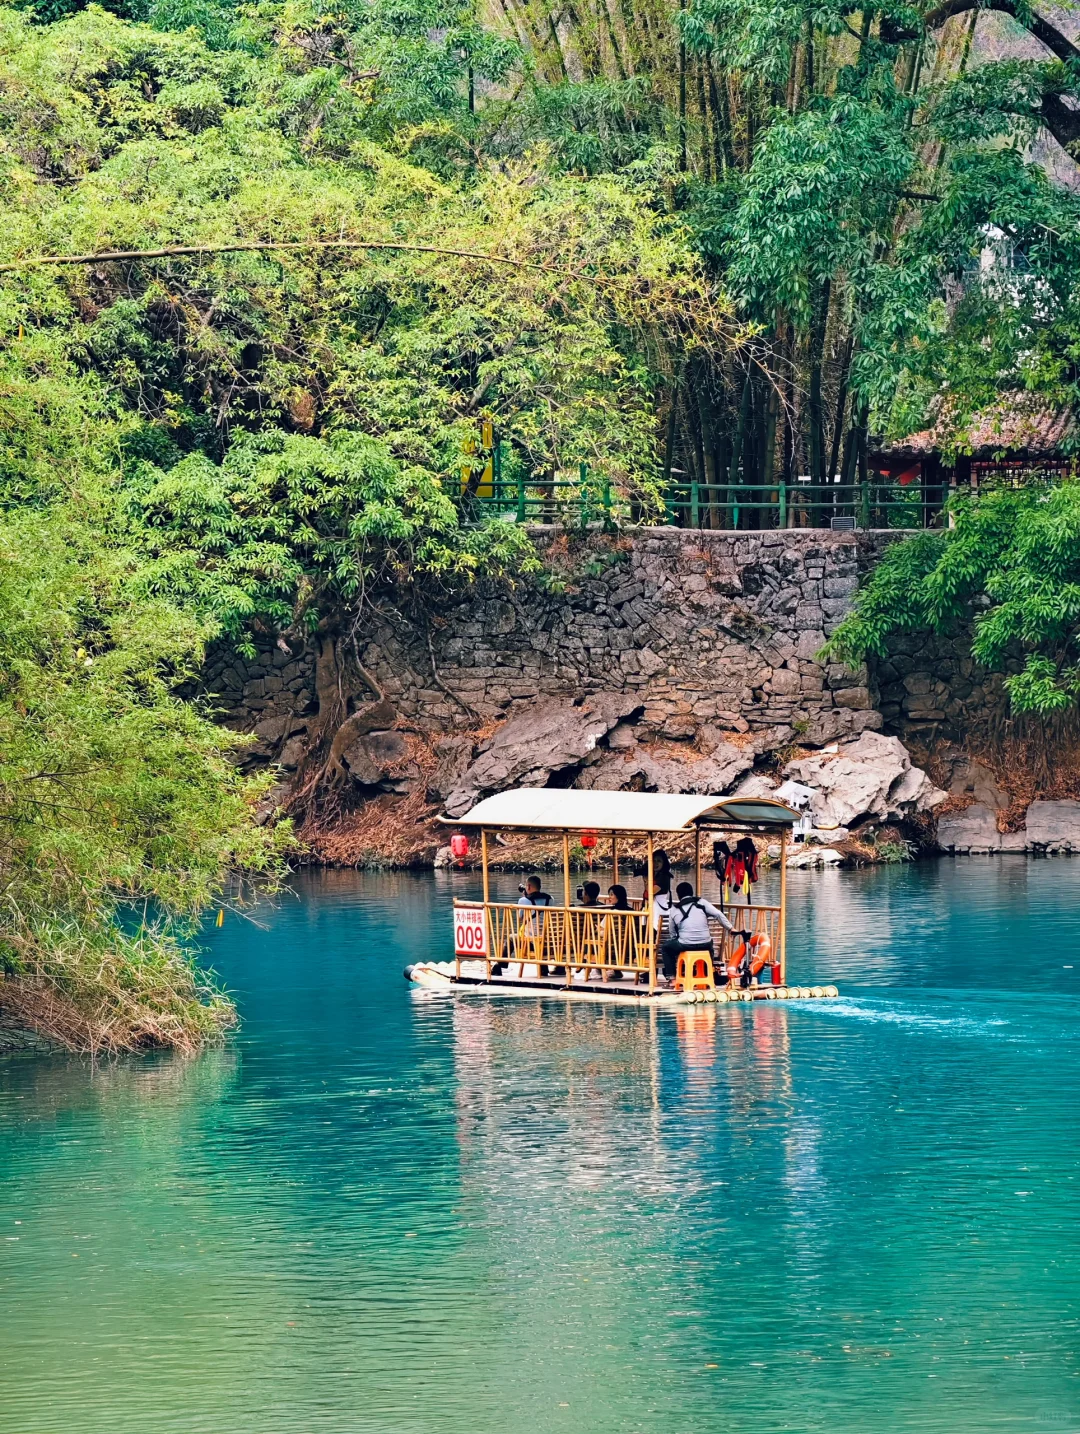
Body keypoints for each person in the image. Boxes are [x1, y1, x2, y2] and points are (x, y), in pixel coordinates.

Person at [660, 880, 734, 982]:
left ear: (678, 895)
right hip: (705, 945)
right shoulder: (701, 902)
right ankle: (706, 973)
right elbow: (718, 914)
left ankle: (672, 980)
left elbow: (672, 933)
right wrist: (731, 928)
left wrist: (679, 940)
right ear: (691, 892)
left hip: (685, 945)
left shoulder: (674, 909)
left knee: (666, 948)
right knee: (710, 945)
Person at [518, 873, 561, 977]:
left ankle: (499, 965)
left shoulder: (523, 900)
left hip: (532, 939)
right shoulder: (550, 899)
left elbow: (520, 918)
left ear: (528, 886)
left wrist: (524, 898)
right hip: (549, 938)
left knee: (510, 939)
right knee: (540, 937)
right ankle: (545, 967)